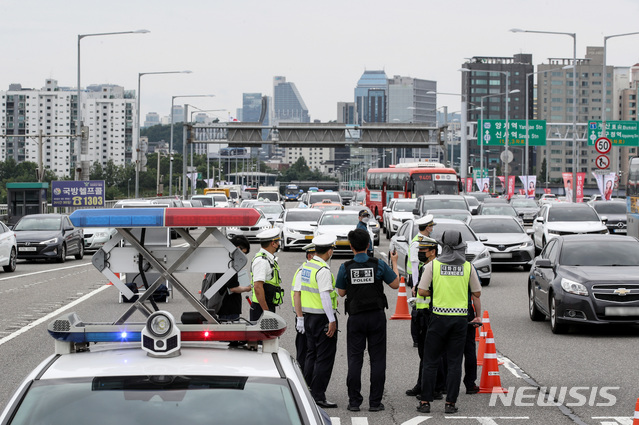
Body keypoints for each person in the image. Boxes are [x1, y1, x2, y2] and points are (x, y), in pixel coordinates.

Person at [416, 230, 482, 414]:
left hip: (438, 318)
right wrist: (478, 315)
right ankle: (450, 404)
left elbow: (421, 291)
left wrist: (436, 293)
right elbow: (476, 294)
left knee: (430, 361)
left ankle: (425, 402)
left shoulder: (433, 266)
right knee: (454, 363)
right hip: (460, 320)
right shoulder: (468, 267)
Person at [336, 228, 400, 412]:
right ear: (368, 245)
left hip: (356, 317)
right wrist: (394, 263)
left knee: (355, 360)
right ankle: (375, 402)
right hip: (376, 317)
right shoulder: (378, 264)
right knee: (377, 359)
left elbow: (341, 292)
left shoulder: (345, 267)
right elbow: (395, 284)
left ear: (351, 247)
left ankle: (354, 402)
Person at [295, 235, 339, 409]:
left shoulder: (306, 267)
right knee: (324, 358)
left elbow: (298, 292)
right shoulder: (323, 270)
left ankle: (306, 391)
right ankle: (318, 396)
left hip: (308, 317)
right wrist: (332, 320)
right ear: (329, 250)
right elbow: (325, 296)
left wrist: (300, 318)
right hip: (321, 318)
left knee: (311, 354)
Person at [405, 236, 445, 398]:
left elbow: (435, 290)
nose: (420, 253)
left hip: (430, 314)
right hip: (421, 313)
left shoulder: (435, 267)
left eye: (424, 250)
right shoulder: (425, 266)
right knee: (425, 353)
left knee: (432, 353)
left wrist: (420, 291)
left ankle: (437, 387)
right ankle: (422, 384)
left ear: (433, 252)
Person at [207, 235, 252, 321]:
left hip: (222, 307)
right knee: (231, 332)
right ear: (238, 249)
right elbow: (233, 288)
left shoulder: (222, 259)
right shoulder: (231, 264)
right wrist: (248, 288)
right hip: (229, 308)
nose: (244, 257)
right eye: (244, 253)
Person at [407, 215, 435, 347]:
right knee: (418, 310)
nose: (432, 228)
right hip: (419, 280)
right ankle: (417, 338)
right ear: (427, 227)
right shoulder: (417, 243)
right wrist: (415, 285)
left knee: (427, 307)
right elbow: (414, 265)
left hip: (426, 278)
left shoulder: (427, 240)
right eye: (431, 226)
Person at [291, 242, 317, 373]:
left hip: (310, 315)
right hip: (304, 316)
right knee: (304, 352)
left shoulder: (312, 269)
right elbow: (297, 295)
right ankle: (302, 382)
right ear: (310, 256)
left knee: (311, 351)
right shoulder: (304, 271)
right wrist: (300, 318)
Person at [250, 228, 284, 321]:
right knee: (262, 335)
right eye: (278, 242)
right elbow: (258, 287)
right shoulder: (261, 261)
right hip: (261, 308)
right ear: (273, 244)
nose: (278, 245)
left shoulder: (267, 259)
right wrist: (266, 312)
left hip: (265, 305)